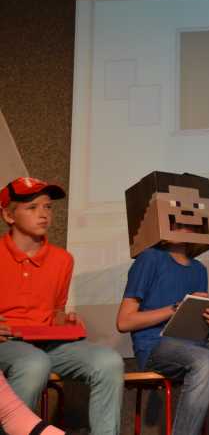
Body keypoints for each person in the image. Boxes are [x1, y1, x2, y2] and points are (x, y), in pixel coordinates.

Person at [117, 171, 209, 435]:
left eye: (190, 219)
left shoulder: (198, 269)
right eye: (176, 218)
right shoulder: (150, 259)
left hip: (194, 345)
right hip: (155, 346)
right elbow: (124, 321)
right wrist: (174, 308)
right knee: (204, 361)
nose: (183, 224)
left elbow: (193, 328)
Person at [0, 177, 124, 435]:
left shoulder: (62, 259)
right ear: (9, 216)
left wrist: (65, 322)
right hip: (7, 343)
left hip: (46, 344)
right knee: (34, 363)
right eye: (32, 207)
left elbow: (55, 311)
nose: (43, 214)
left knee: (108, 361)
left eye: (48, 207)